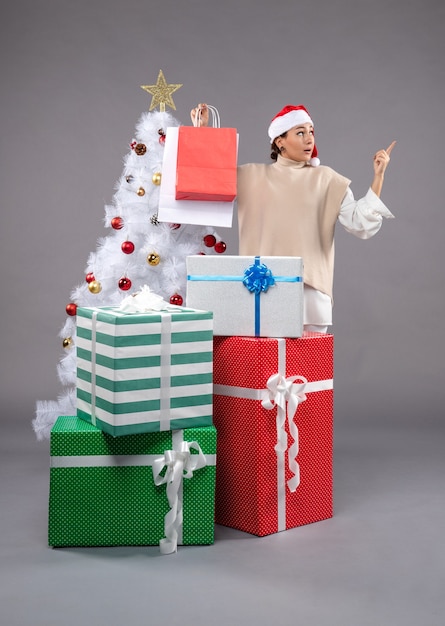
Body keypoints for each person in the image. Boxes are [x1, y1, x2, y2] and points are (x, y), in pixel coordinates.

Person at [190, 103, 395, 332]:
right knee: (263, 366)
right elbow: (208, 180)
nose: (309, 139)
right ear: (280, 141)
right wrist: (202, 131)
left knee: (307, 367)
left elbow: (359, 223)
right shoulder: (249, 176)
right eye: (300, 132)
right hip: (260, 290)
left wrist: (378, 176)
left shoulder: (327, 179)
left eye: (311, 132)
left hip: (310, 294)